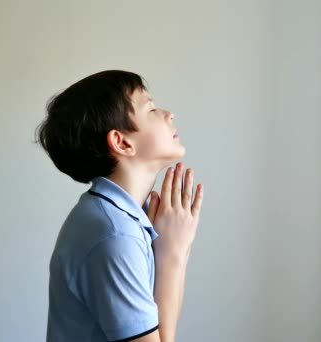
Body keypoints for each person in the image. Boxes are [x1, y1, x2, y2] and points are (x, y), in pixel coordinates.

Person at [36, 70, 204, 342]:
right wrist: (174, 256)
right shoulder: (115, 235)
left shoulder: (114, 217)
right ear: (122, 142)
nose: (168, 114)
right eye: (150, 109)